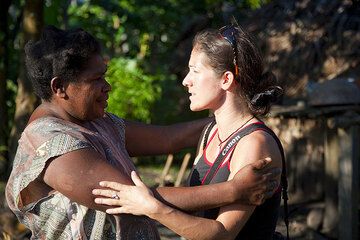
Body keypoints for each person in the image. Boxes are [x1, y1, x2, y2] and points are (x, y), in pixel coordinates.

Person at [5, 25, 280, 240]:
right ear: (59, 87)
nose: (107, 86)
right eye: (95, 79)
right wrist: (234, 189)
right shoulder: (50, 144)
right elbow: (134, 196)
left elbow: (170, 138)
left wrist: (238, 121)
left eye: (104, 75)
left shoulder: (96, 123)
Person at [92, 24, 286, 240]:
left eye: (195, 71)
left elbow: (221, 234)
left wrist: (152, 207)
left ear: (226, 80)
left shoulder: (254, 144)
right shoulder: (211, 132)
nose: (186, 81)